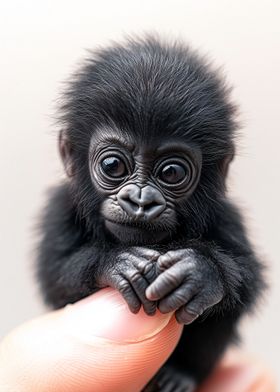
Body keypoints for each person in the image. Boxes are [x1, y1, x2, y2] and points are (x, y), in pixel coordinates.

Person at [0, 289, 276, 392]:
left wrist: (208, 275)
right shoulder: (67, 215)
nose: (140, 197)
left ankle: (186, 372)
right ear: (71, 160)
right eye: (113, 167)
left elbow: (244, 286)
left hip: (187, 366)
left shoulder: (219, 220)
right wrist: (105, 265)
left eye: (171, 173)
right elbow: (57, 278)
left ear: (220, 169)